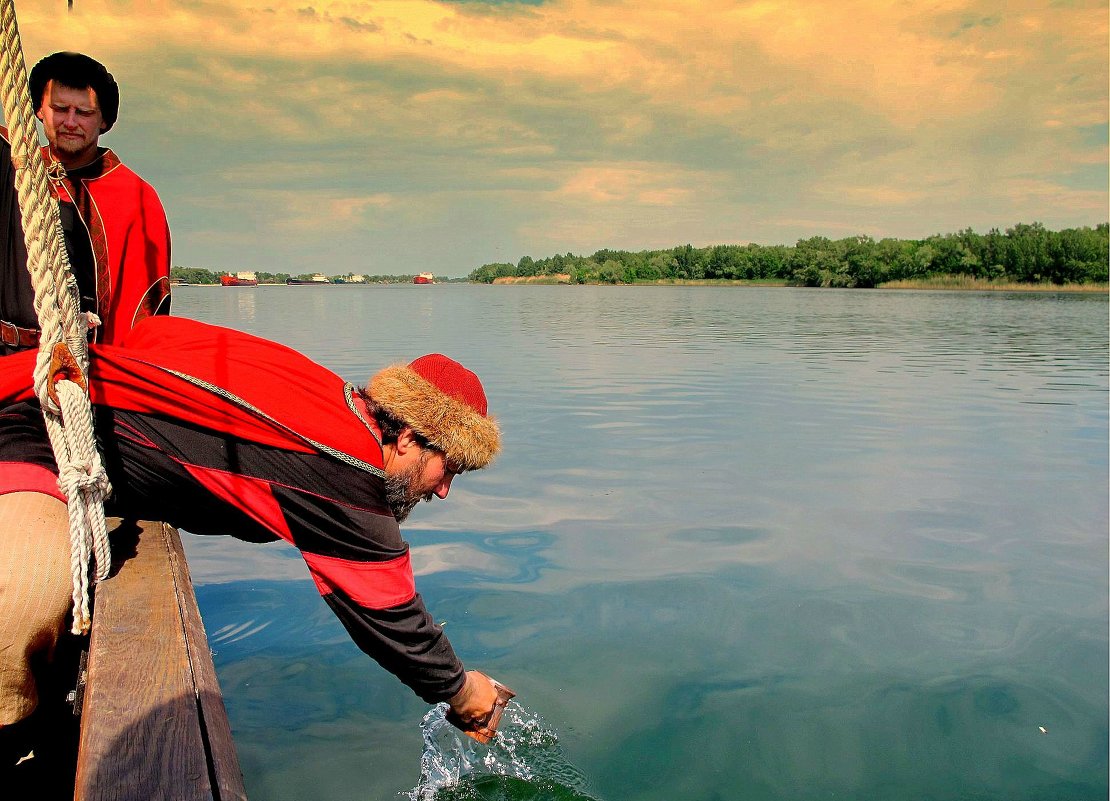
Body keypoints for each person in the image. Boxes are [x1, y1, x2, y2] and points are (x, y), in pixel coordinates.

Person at [0, 316, 505, 759]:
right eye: (449, 469)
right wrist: (462, 691)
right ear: (410, 437)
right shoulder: (344, 462)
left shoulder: (326, 394)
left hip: (47, 399)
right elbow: (387, 611)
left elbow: (155, 333)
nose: (443, 491)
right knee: (18, 603)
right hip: (35, 433)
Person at [0, 51, 171, 354]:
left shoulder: (134, 197)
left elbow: (145, 313)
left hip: (80, 365)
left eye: (84, 112)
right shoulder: (14, 168)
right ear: (38, 110)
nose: (70, 121)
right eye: (59, 108)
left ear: (104, 120)